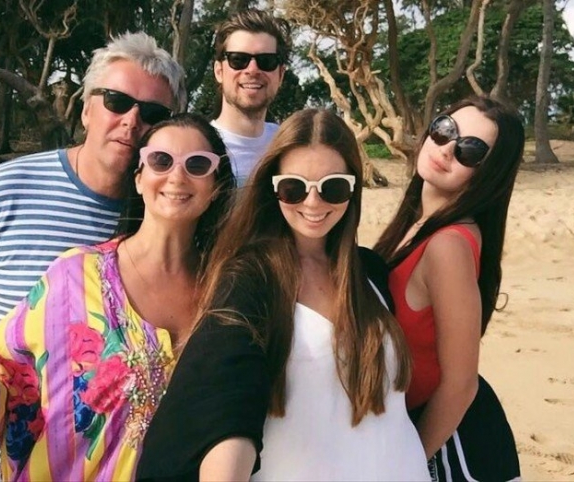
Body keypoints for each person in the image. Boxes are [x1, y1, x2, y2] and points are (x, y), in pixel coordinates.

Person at [0, 113, 236, 481]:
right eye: (161, 160)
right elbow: (3, 363)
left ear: (215, 185)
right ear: (139, 177)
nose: (177, 176)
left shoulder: (228, 292)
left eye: (197, 165)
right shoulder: (77, 274)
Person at [0, 32, 185, 481]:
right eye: (116, 101)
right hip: (4, 456)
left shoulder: (165, 212)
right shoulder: (6, 187)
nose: (132, 121)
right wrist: (4, 387)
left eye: (153, 113)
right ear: (86, 108)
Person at [136, 109, 430, 481]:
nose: (313, 202)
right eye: (294, 188)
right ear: (272, 189)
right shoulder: (252, 278)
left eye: (333, 187)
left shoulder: (370, 271)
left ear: (353, 189)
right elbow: (226, 399)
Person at [373, 95, 523, 481]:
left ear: (488, 174)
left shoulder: (447, 246)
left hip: (450, 443)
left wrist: (408, 465)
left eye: (470, 151)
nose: (446, 150)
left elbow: (460, 386)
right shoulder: (418, 225)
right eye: (444, 130)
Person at [210, 8, 292, 187]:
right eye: (238, 59)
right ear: (219, 71)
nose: (253, 70)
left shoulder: (291, 146)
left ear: (281, 75)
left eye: (267, 61)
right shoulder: (198, 148)